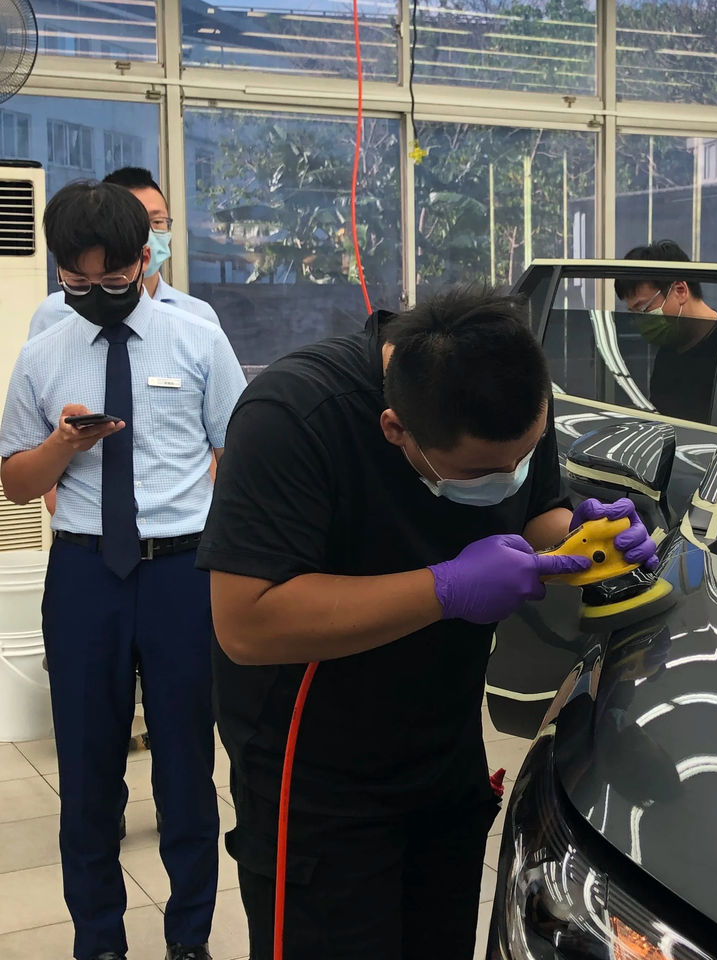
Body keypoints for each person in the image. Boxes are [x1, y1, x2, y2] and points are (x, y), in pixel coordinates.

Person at [197, 286, 659, 960]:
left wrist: (582, 540)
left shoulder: (508, 390)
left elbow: (536, 509)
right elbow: (247, 622)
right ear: (395, 430)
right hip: (319, 775)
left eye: (523, 455)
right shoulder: (294, 416)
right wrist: (444, 590)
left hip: (445, 749)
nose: (508, 476)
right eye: (479, 472)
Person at [0, 181, 248, 960]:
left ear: (145, 258)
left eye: (112, 278)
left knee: (186, 767)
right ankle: (99, 940)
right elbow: (15, 482)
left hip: (182, 574)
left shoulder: (198, 340)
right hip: (84, 576)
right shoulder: (43, 353)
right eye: (77, 280)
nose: (95, 293)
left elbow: (240, 456)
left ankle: (190, 938)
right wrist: (62, 446)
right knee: (87, 771)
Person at [29, 167, 219, 338]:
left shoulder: (199, 318)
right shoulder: (54, 313)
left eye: (157, 222)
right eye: (129, 224)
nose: (146, 234)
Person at [615, 239, 717, 423]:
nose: (640, 321)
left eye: (643, 309)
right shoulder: (667, 357)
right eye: (633, 313)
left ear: (680, 290)